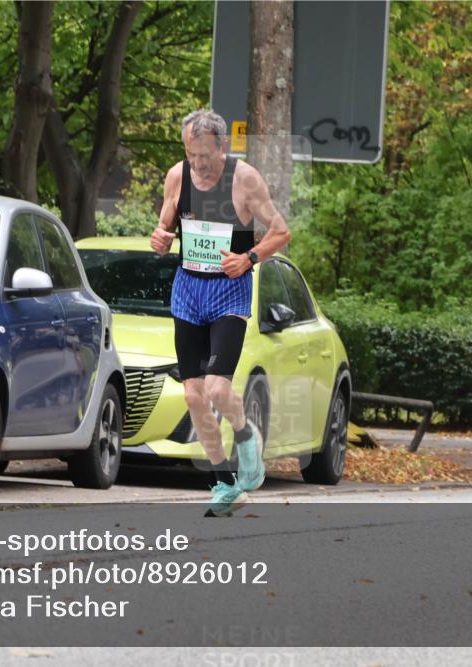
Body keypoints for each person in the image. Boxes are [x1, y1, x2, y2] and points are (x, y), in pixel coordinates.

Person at [150, 109, 291, 516]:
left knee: (216, 388)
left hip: (230, 291)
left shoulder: (244, 179)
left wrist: (249, 257)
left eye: (205, 157)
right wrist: (160, 239)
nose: (198, 165)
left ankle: (246, 438)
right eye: (192, 156)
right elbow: (165, 229)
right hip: (188, 292)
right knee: (194, 395)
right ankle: (224, 482)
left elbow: (281, 232)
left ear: (222, 148)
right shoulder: (177, 176)